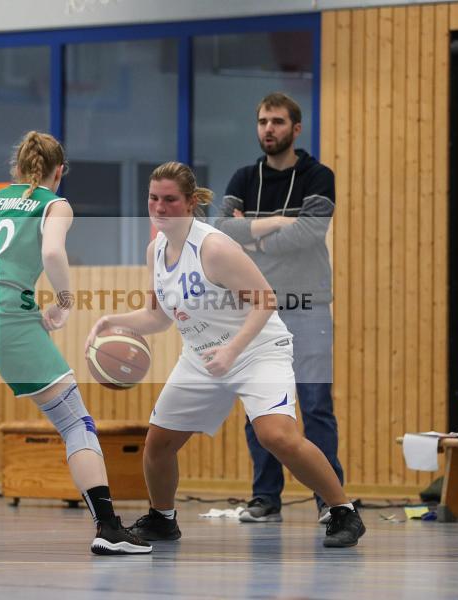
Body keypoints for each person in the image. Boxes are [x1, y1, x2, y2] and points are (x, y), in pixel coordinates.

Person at [87, 161, 365, 548]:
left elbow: (266, 300)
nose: (159, 207)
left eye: (170, 200)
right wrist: (112, 321)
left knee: (276, 436)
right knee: (159, 443)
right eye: (153, 198)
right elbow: (157, 317)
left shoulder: (213, 246)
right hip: (203, 356)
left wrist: (233, 350)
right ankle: (163, 518)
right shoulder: (156, 251)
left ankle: (342, 511)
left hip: (256, 351)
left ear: (189, 203)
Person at [0, 131, 150, 556]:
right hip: (2, 309)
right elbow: (53, 254)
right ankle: (108, 526)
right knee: (75, 422)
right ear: (59, 171)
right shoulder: (55, 203)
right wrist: (65, 303)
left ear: (15, 169)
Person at [214, 92, 342, 523]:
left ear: (296, 128)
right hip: (258, 311)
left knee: (315, 404)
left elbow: (310, 232)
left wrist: (254, 235)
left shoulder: (318, 175)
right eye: (263, 121)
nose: (269, 129)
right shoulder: (243, 177)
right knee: (260, 408)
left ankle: (331, 502)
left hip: (308, 307)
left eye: (278, 122)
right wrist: (273, 225)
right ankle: (266, 498)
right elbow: (223, 232)